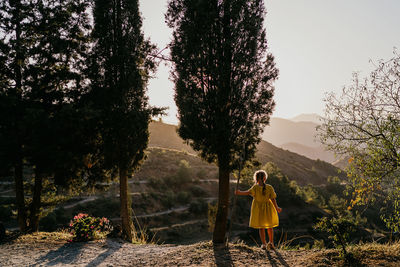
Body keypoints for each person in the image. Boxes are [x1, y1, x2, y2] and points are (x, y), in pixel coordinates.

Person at [235, 170, 282, 250]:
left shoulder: (256, 188)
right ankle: (271, 243)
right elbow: (273, 199)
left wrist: (239, 192)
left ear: (256, 179)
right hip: (268, 208)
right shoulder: (269, 187)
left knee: (261, 227)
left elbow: (247, 192)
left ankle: (264, 244)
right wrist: (277, 208)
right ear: (265, 178)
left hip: (259, 209)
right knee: (270, 227)